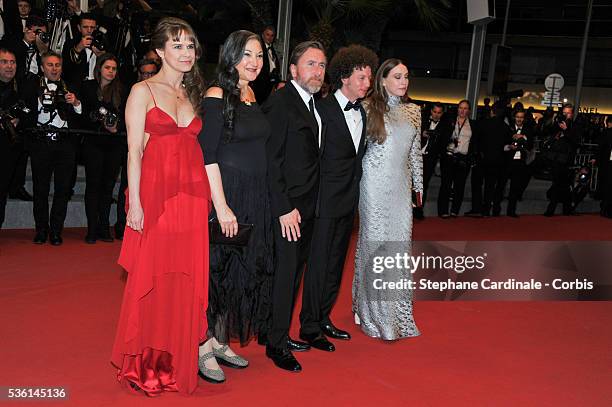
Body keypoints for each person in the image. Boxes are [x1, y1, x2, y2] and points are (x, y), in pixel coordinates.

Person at [111, 17, 209, 396]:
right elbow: (134, 150)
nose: (186, 53)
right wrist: (134, 203)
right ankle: (143, 365)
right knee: (151, 278)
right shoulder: (142, 91)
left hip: (191, 201)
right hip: (156, 198)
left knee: (183, 281)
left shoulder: (193, 95)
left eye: (190, 46)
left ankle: (173, 362)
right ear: (160, 51)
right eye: (177, 45)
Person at [197, 30, 273, 383]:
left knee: (237, 273)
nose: (254, 62)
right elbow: (207, 154)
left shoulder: (251, 93)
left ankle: (221, 339)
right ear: (230, 56)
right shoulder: (217, 93)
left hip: (254, 196)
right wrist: (222, 206)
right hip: (227, 195)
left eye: (259, 55)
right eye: (246, 54)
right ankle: (202, 346)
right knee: (215, 271)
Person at [300, 44, 378, 352]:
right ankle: (309, 327)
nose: (366, 84)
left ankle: (323, 318)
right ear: (344, 77)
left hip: (348, 202)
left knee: (335, 265)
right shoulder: (321, 109)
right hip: (322, 202)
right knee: (318, 265)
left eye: (369, 78)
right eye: (361, 77)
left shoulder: (363, 112)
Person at [262, 41, 327, 372]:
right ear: (292, 70)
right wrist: (284, 206)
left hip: (308, 206)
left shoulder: (313, 103)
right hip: (288, 208)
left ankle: (275, 332)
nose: (317, 71)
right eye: (311, 64)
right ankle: (276, 344)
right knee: (285, 275)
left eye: (321, 65)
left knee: (292, 273)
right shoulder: (281, 103)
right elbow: (271, 161)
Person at [353, 58, 422, 340]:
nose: (403, 81)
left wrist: (418, 186)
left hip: (400, 188)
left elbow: (415, 153)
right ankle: (374, 315)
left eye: (406, 76)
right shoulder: (368, 108)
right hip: (373, 185)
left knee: (398, 248)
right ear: (382, 80)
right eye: (397, 76)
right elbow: (358, 152)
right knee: (375, 246)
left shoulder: (414, 111)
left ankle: (391, 310)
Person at [21, 51, 82, 245]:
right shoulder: (31, 86)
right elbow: (24, 112)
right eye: (50, 65)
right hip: (41, 143)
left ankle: (56, 231)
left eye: (57, 65)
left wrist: (77, 103)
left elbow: (82, 116)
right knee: (40, 189)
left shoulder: (70, 87)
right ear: (42, 67)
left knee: (63, 190)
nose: (54, 68)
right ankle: (41, 230)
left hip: (65, 144)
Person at [80, 53, 125, 243]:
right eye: (107, 68)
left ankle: (104, 227)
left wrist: (116, 127)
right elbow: (82, 115)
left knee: (107, 188)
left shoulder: (121, 90)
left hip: (114, 145)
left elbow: (127, 115)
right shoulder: (88, 87)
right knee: (93, 187)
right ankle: (91, 229)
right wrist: (100, 122)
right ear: (99, 68)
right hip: (93, 143)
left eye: (114, 68)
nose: (111, 72)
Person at [437, 99, 475, 218]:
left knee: (460, 186)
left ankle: (454, 211)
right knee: (445, 185)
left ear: (469, 111)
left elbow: (475, 142)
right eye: (460, 108)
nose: (462, 111)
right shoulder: (449, 121)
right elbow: (442, 137)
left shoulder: (473, 124)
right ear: (457, 109)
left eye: (465, 108)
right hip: (449, 156)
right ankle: (443, 211)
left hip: (463, 158)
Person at [250, 25, 279, 103]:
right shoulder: (259, 47)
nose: (270, 37)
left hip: (270, 84)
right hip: (260, 84)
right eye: (267, 35)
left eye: (272, 35)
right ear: (263, 35)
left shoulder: (271, 49)